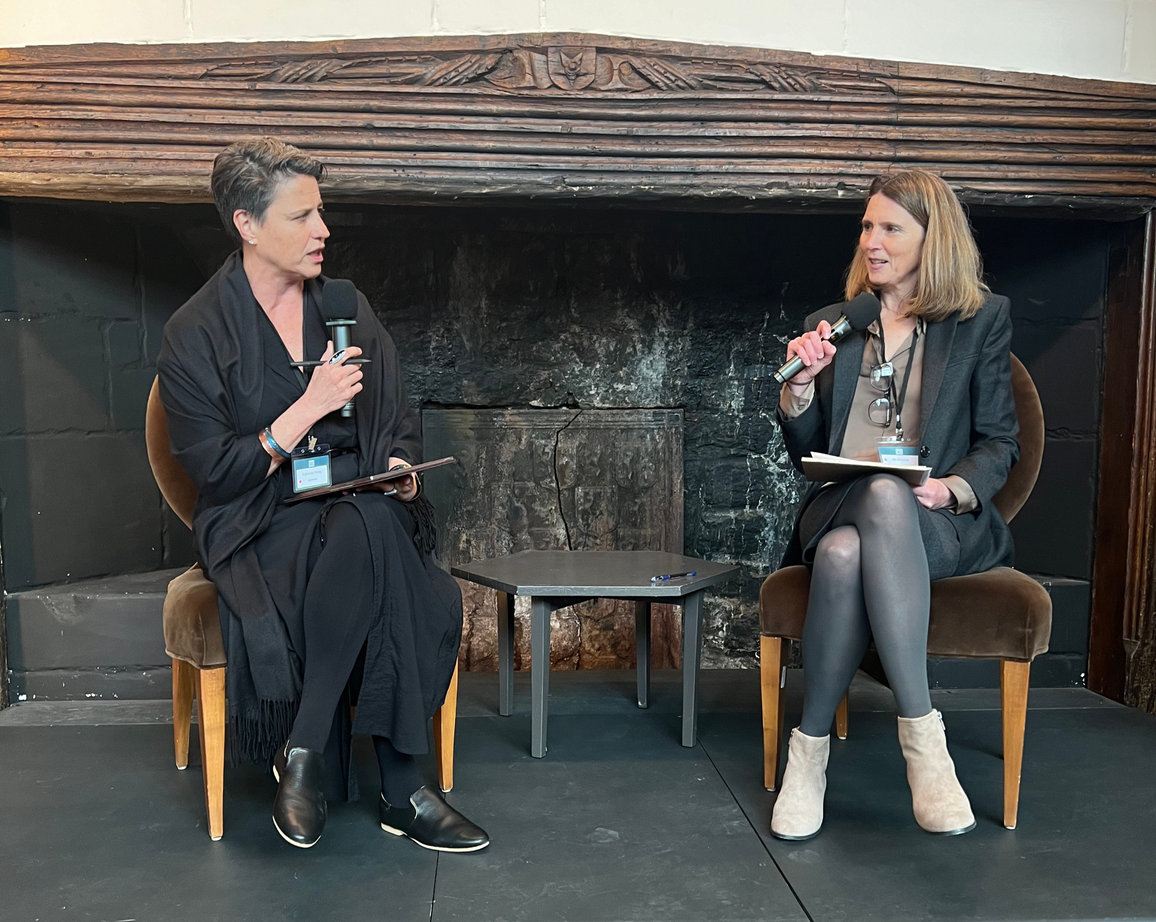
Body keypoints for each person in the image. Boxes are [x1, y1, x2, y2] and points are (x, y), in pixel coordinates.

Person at [157, 137, 489, 852]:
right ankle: (403, 789)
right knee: (381, 542)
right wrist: (307, 407)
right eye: (302, 216)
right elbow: (216, 473)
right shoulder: (195, 332)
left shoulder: (344, 305)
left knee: (370, 515)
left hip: (354, 501)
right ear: (247, 224)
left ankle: (301, 750)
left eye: (321, 212)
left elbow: (395, 417)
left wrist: (398, 465)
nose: (323, 231)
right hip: (260, 516)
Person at [770, 169, 1019, 840]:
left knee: (845, 554)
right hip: (841, 500)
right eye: (866, 226)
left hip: (930, 518)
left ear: (933, 241)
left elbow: (1000, 441)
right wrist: (799, 392)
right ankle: (923, 738)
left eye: (890, 229)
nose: (871, 242)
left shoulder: (979, 321)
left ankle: (808, 757)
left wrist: (948, 488)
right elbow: (807, 453)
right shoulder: (834, 324)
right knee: (875, 494)